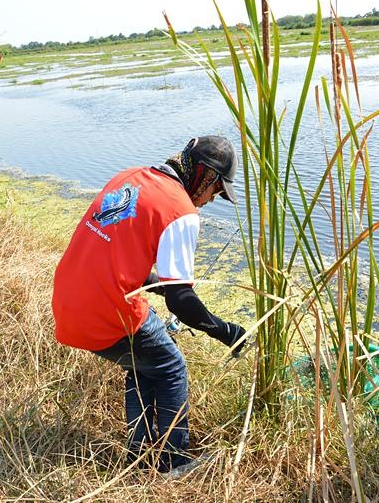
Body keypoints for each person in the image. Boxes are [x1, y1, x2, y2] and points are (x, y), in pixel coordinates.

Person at [52, 135, 247, 476]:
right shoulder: (181, 211)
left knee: (145, 364)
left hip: (68, 301)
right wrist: (227, 332)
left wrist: (154, 282)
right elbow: (182, 302)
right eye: (216, 192)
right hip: (104, 313)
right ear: (208, 179)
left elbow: (113, 251)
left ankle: (140, 453)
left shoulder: (128, 176)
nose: (210, 200)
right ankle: (174, 462)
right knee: (170, 366)